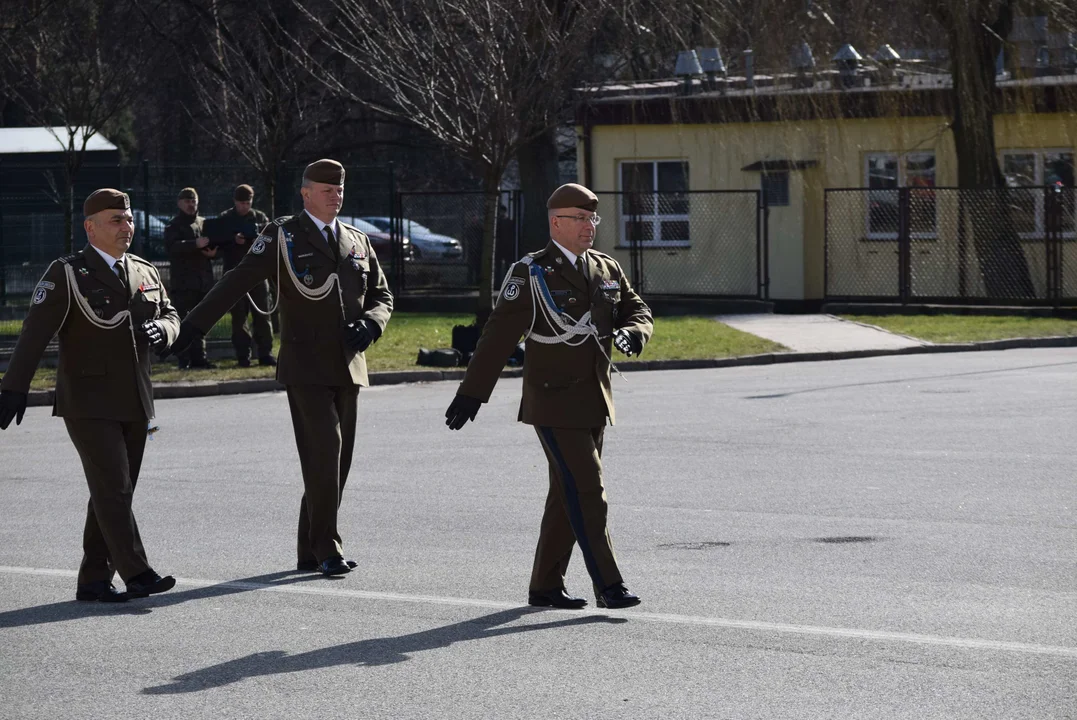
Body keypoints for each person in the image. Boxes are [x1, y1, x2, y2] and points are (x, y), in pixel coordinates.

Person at [167, 159, 393, 577]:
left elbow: (382, 294)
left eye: (339, 190)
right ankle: (327, 546)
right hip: (306, 364)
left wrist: (372, 323)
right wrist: (192, 326)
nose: (335, 196)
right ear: (305, 193)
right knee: (325, 454)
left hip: (349, 365)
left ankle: (309, 548)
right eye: (326, 190)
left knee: (337, 463)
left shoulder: (357, 240)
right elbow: (236, 281)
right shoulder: (283, 236)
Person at [445, 183, 653, 610]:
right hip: (554, 402)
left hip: (596, 400)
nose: (588, 226)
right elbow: (498, 335)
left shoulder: (605, 267)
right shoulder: (532, 272)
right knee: (588, 489)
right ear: (555, 222)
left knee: (566, 494)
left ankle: (545, 586)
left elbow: (637, 310)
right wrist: (473, 393)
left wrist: (634, 334)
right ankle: (609, 585)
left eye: (592, 218)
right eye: (579, 219)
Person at [0, 189, 180, 602]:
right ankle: (138, 573)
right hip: (88, 400)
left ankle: (94, 579)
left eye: (129, 219)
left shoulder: (144, 270)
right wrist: (14, 387)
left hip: (136, 397)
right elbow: (34, 332)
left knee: (115, 489)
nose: (127, 227)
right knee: (113, 486)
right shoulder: (67, 272)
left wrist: (164, 331)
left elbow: (171, 313)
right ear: (90, 226)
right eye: (116, 220)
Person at [217, 184, 275, 367]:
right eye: (241, 203)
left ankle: (265, 353)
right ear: (235, 202)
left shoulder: (259, 217)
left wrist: (258, 239)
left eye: (247, 202)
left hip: (258, 274)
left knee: (263, 315)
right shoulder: (225, 218)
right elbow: (217, 242)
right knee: (239, 317)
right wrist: (233, 240)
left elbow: (272, 240)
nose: (244, 206)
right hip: (235, 274)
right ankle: (243, 356)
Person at [165, 187, 217, 369]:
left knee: (200, 323)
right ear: (180, 203)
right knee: (182, 322)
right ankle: (183, 359)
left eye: (193, 201)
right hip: (184, 282)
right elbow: (172, 247)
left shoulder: (203, 223)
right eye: (187, 201)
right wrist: (193, 244)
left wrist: (213, 253)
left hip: (203, 281)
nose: (191, 205)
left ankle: (199, 358)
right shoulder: (174, 225)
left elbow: (213, 245)